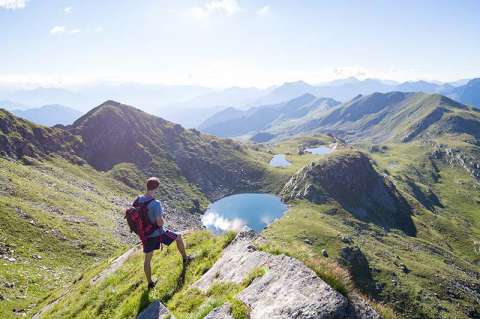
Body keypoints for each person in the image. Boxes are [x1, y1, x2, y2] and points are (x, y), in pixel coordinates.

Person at [137, 177, 192, 289]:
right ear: (156, 188)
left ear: (147, 186)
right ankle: (186, 259)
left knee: (148, 259)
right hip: (158, 233)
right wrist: (162, 219)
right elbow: (159, 222)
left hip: (145, 234)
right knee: (178, 237)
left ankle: (150, 283)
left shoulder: (139, 200)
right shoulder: (156, 203)